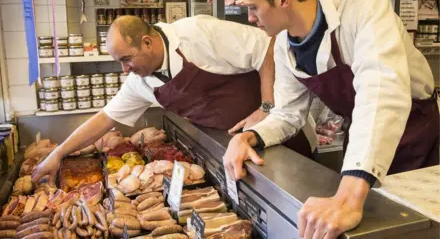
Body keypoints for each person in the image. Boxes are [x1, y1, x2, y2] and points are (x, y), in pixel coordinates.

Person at [224, 0, 439, 238]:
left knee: (408, 228)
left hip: (414, 132)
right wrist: (249, 137)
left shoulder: (362, 3)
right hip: (362, 136)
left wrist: (349, 196)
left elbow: (381, 92)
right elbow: (289, 113)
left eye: (254, 7)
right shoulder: (283, 45)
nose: (250, 17)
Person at [32, 14, 316, 184]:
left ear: (146, 42)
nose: (125, 70)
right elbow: (105, 118)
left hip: (285, 139)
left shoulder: (197, 33)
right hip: (233, 148)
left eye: (127, 60)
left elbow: (268, 47)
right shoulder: (140, 81)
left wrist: (266, 107)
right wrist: (57, 154)